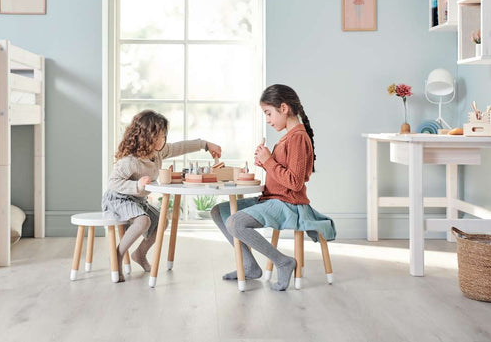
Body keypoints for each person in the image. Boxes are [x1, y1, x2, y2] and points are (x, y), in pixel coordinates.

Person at [210, 84, 335, 291]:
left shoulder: (297, 138)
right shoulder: (288, 136)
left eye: (269, 113)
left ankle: (283, 262)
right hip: (272, 199)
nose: (268, 120)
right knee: (219, 211)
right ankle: (249, 266)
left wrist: (268, 161)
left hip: (287, 203)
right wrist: (266, 161)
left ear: (284, 108)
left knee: (234, 222)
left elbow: (294, 183)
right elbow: (282, 172)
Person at [102, 110, 221, 282]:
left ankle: (140, 254)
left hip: (137, 200)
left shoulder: (158, 152)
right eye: (158, 137)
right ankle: (117, 256)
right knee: (144, 221)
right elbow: (113, 182)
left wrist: (205, 144)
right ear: (145, 137)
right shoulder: (130, 161)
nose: (162, 141)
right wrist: (136, 185)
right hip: (118, 199)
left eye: (163, 136)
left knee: (162, 221)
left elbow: (180, 147)